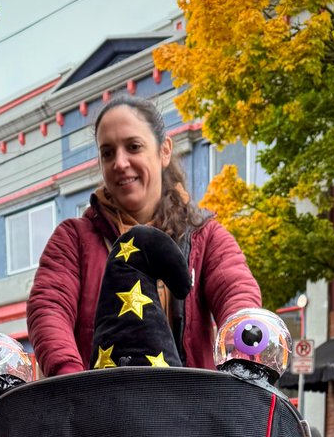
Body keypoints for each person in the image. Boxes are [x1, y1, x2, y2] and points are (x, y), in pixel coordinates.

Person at [27, 93, 261, 374]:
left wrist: (244, 357)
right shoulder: (72, 240)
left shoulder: (206, 236)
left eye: (133, 146)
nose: (120, 162)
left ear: (164, 151)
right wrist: (72, 382)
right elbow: (48, 309)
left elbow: (238, 294)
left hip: (191, 412)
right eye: (108, 152)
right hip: (97, 412)